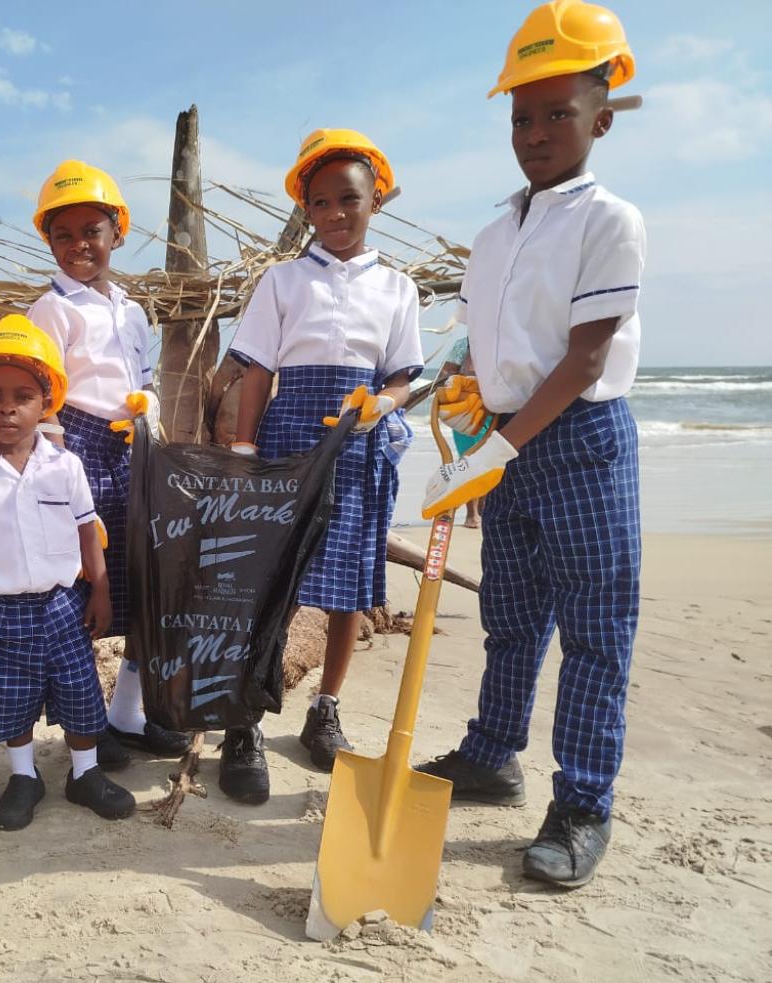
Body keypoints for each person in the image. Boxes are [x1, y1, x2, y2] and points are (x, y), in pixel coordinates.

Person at [418, 0, 644, 888]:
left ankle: (583, 802)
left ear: (603, 114)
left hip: (579, 440)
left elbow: (585, 358)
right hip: (505, 439)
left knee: (594, 632)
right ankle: (492, 753)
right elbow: (480, 347)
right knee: (509, 619)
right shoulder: (490, 234)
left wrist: (499, 449)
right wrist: (468, 420)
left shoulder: (608, 221)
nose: (537, 130)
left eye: (558, 111)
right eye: (521, 114)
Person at [225, 129, 423, 803]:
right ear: (305, 208)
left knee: (345, 588)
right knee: (270, 585)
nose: (337, 213)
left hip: (358, 447)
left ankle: (325, 709)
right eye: (322, 202)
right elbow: (256, 371)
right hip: (288, 439)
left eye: (351, 199)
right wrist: (246, 451)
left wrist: (379, 404)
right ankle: (245, 720)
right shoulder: (281, 281)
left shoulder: (397, 289)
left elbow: (401, 377)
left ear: (377, 200)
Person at [0, 316, 137, 831]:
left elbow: (88, 530)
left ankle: (84, 773)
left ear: (46, 403)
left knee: (79, 691)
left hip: (63, 605)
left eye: (23, 395)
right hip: (0, 612)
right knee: (11, 698)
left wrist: (100, 590)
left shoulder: (65, 467)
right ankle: (24, 776)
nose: (8, 407)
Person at [26, 160, 190, 770]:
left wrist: (150, 420)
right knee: (81, 580)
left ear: (117, 232)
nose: (78, 246)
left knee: (140, 581)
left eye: (91, 231)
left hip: (133, 446)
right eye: (63, 235)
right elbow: (44, 395)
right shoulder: (52, 309)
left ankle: (127, 714)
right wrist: (57, 468)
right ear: (48, 241)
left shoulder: (130, 309)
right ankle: (85, 724)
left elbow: (142, 379)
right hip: (80, 447)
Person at [439, 334, 488, 528]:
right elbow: (445, 375)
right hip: (468, 411)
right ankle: (472, 514)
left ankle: (484, 511)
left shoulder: (501, 338)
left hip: (493, 408)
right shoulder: (463, 344)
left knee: (490, 459)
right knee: (470, 459)